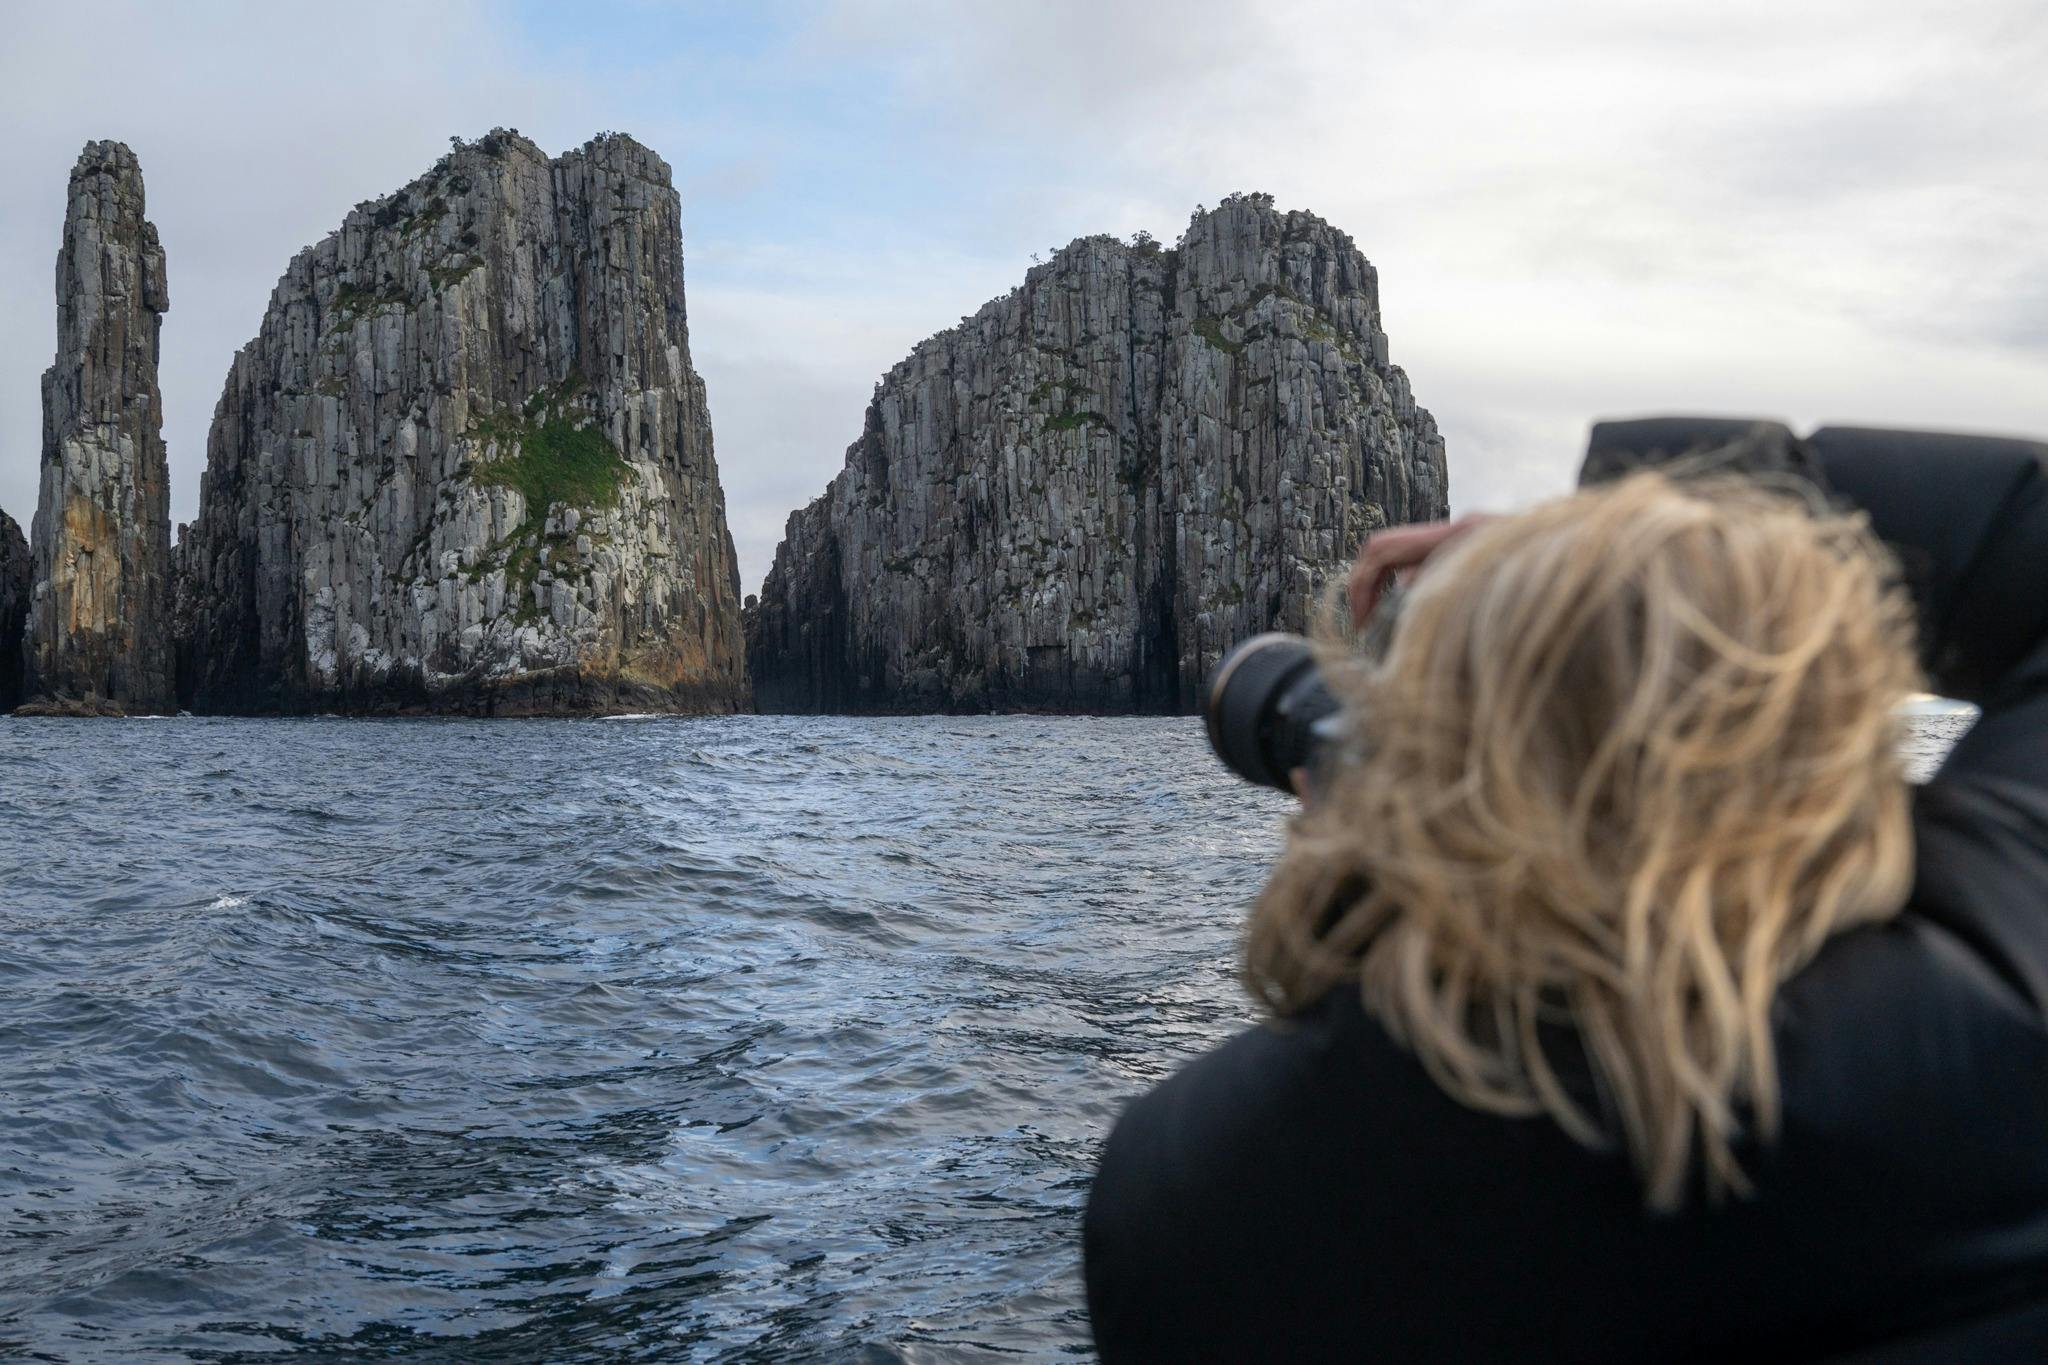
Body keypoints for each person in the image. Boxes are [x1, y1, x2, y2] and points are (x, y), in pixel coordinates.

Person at [1084, 419, 2048, 1363]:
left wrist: (1384, 845)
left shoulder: (1183, 1190)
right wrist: (1632, 525)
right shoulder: (1990, 1030)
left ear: (1418, 769)